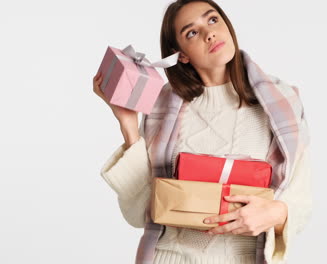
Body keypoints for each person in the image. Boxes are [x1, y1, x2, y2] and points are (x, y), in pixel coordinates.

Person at [93, 0, 312, 263]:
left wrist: (277, 214)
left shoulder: (281, 102)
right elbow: (139, 213)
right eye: (192, 33)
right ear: (181, 54)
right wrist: (129, 127)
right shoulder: (162, 107)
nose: (210, 33)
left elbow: (301, 199)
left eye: (212, 20)